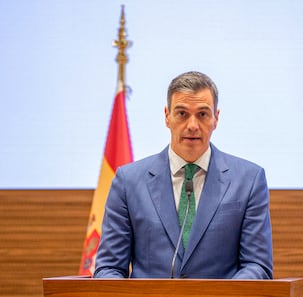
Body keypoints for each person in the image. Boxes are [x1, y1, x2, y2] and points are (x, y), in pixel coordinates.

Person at [94, 71, 273, 279]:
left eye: (203, 114)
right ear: (167, 116)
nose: (192, 125)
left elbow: (257, 266)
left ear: (216, 118)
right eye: (182, 114)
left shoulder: (249, 180)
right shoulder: (128, 181)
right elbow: (109, 268)